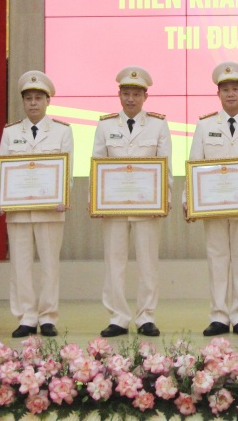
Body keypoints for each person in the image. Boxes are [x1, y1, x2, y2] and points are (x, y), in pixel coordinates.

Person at [186, 61, 238, 338]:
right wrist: (190, 200)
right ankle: (219, 315)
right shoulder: (205, 124)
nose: (230, 94)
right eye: (225, 89)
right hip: (212, 206)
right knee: (217, 258)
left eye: (235, 88)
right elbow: (195, 163)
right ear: (218, 94)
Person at [0, 71, 73, 338]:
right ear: (23, 102)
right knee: (20, 265)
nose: (34, 103)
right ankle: (26, 316)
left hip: (51, 210)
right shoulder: (11, 132)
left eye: (39, 98)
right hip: (18, 211)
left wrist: (64, 196)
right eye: (29, 98)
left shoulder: (62, 131)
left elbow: (67, 170)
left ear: (48, 101)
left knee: (50, 264)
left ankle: (48, 316)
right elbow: (3, 168)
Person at [91, 66, 171, 338]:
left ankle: (146, 316)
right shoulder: (105, 125)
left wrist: (165, 199)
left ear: (145, 96)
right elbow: (97, 164)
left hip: (148, 206)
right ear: (119, 94)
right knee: (114, 262)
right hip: (113, 207)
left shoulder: (159, 125)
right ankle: (118, 317)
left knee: (148, 262)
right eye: (126, 93)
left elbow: (166, 166)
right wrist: (96, 201)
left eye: (136, 94)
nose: (130, 99)